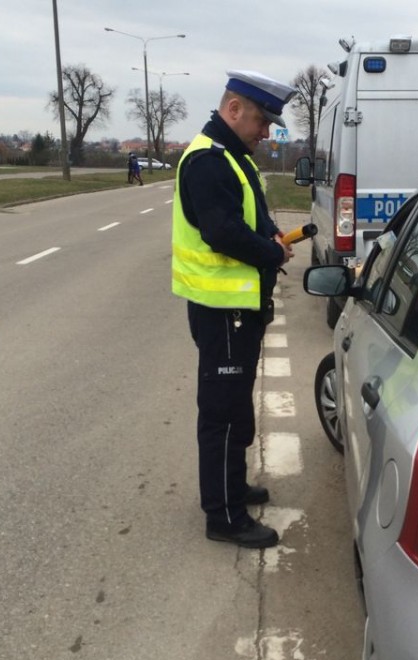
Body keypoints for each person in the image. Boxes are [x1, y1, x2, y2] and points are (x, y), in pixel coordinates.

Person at [171, 70, 297, 549]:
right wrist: (271, 253)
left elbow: (250, 218)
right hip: (222, 309)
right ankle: (223, 516)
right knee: (223, 413)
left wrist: (268, 234)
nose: (266, 131)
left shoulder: (232, 156)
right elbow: (221, 231)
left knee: (236, 405)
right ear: (234, 109)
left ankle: (233, 487)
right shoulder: (207, 160)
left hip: (238, 308)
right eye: (262, 121)